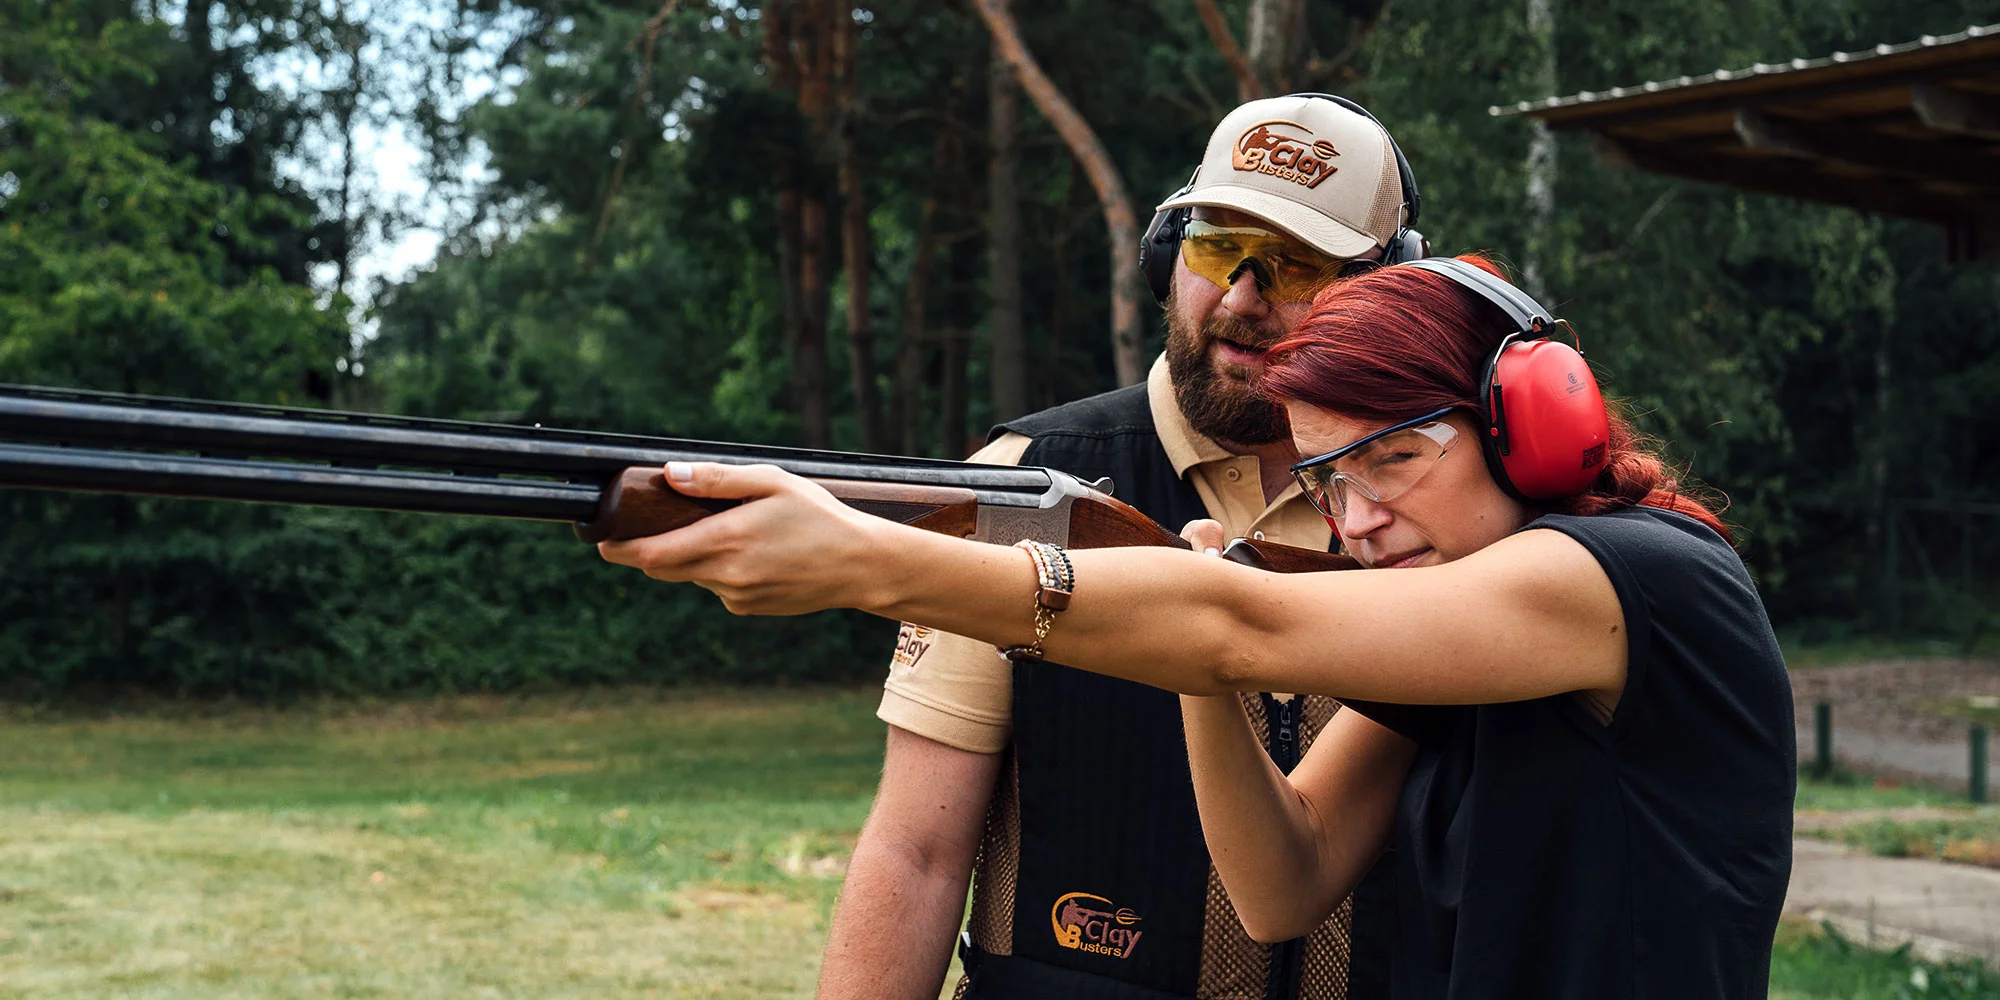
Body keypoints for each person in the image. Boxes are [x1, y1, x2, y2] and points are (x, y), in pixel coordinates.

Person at [599, 254, 1798, 998]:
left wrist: (867, 561)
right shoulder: (1460, 644)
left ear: (1526, 421)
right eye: (1329, 480)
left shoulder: (1632, 577)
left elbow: (1236, 623)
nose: (1358, 520)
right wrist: (1195, 668)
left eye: (1392, 457)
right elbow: (1282, 880)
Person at [824, 93, 1428, 1000]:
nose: (1242, 297)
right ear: (1165, 255)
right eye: (1216, 247)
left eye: (1297, 265)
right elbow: (916, 850)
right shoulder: (1024, 482)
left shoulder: (1432, 505)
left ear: (1387, 293)